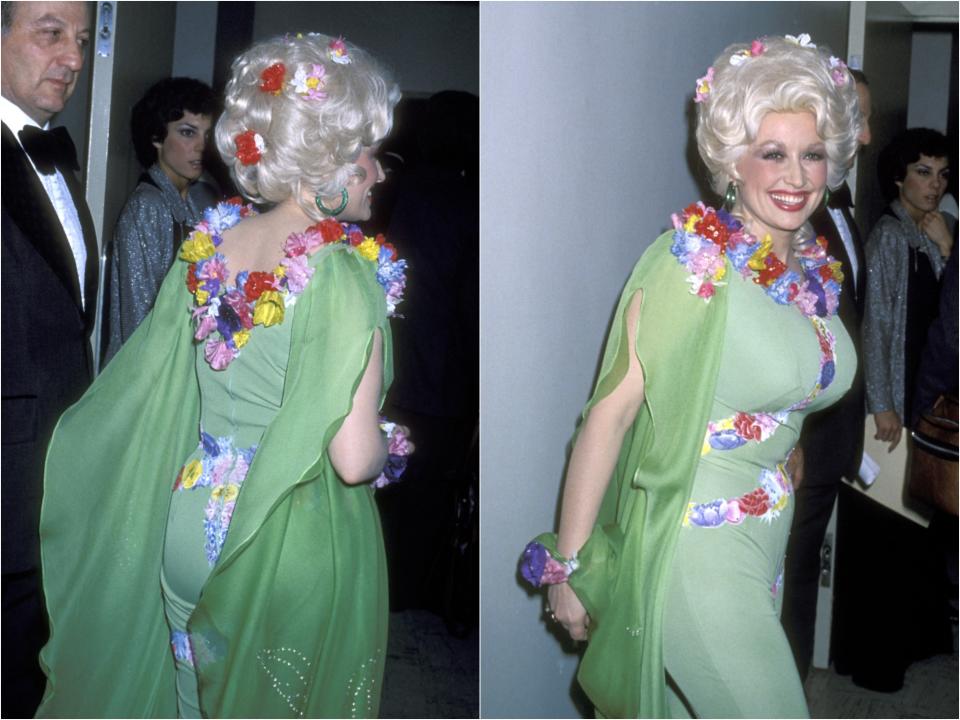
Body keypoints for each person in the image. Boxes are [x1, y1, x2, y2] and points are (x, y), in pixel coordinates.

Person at [37, 33, 407, 718]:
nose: (378, 173)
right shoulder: (345, 274)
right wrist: (390, 441)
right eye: (367, 155)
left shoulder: (209, 246)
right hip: (280, 540)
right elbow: (354, 461)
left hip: (191, 517)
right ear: (323, 160)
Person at [520, 34, 861, 717]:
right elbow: (609, 416)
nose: (796, 176)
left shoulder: (807, 273)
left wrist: (777, 448)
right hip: (693, 553)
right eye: (773, 152)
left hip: (759, 544)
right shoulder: (691, 264)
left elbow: (778, 384)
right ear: (733, 161)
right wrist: (569, 571)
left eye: (812, 153)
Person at [0, 2, 95, 717]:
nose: (73, 57)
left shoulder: (56, 157)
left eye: (84, 39)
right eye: (51, 31)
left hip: (51, 467)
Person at [781, 69, 872, 682]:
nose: (865, 136)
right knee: (783, 587)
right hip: (798, 447)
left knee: (803, 570)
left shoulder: (841, 212)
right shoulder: (788, 218)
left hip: (832, 439)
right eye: (856, 118)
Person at [104, 77, 219, 362]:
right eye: (187, 133)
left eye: (207, 135)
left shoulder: (202, 199)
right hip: (150, 368)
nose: (200, 147)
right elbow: (138, 318)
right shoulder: (147, 206)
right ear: (157, 137)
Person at [863, 127, 954, 452]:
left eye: (942, 175)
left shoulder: (941, 227)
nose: (936, 185)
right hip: (900, 386)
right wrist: (882, 403)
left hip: (928, 383)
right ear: (899, 177)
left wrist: (947, 247)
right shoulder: (890, 235)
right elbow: (876, 323)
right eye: (923, 172)